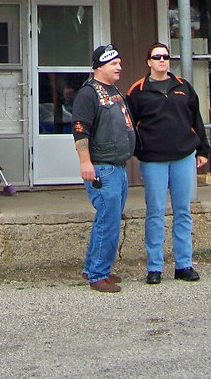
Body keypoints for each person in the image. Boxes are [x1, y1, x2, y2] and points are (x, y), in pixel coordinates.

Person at [126, 43, 210, 285]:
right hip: (153, 160)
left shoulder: (183, 87)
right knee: (155, 212)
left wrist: (202, 149)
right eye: (157, 57)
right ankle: (155, 267)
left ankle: (184, 264)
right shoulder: (138, 90)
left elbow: (196, 119)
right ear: (148, 62)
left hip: (183, 156)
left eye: (165, 56)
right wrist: (137, 150)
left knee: (183, 211)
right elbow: (128, 124)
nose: (162, 60)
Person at [71, 44, 136, 293]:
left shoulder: (114, 90)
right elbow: (80, 130)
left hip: (118, 166)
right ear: (99, 67)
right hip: (102, 168)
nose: (119, 66)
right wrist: (85, 162)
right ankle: (98, 275)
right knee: (108, 221)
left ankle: (95, 267)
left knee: (108, 220)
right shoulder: (89, 94)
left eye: (119, 62)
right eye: (113, 63)